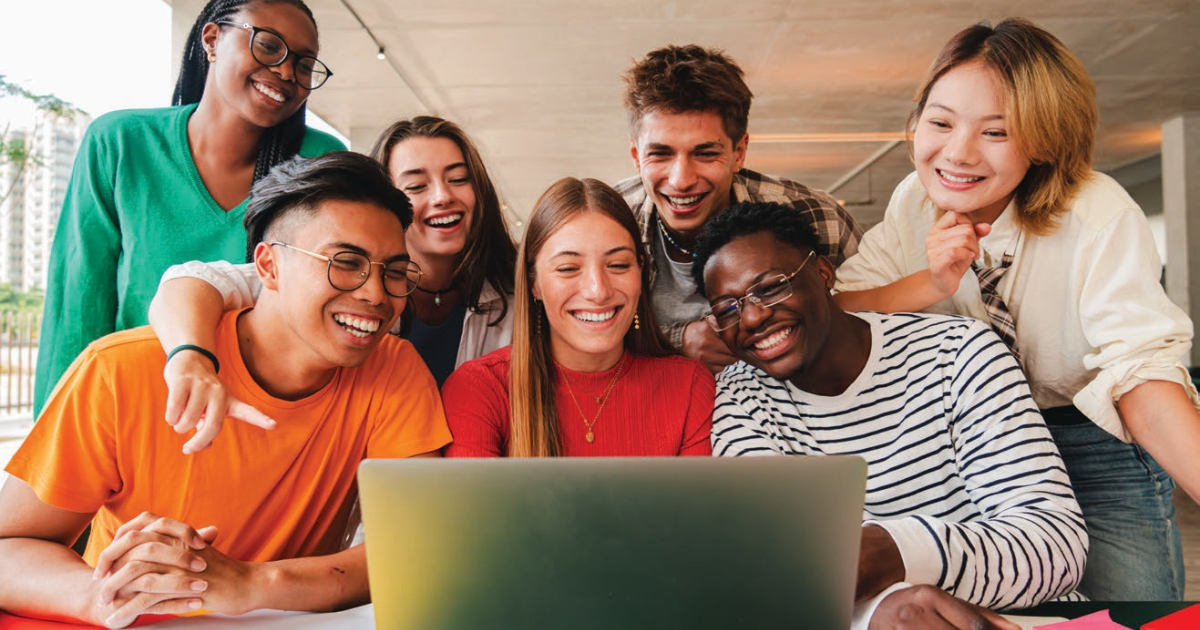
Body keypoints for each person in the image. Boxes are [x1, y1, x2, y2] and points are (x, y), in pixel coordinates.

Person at [0, 152, 450, 627]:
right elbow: (10, 546)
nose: (376, 294)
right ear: (268, 266)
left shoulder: (394, 370)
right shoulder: (118, 371)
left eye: (394, 272)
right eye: (346, 263)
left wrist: (250, 583)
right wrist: (100, 595)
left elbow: (414, 549)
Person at [833, 18, 1197, 600]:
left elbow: (1140, 374)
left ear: (1046, 141)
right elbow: (842, 311)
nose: (957, 153)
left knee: (1131, 611)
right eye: (940, 122)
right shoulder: (914, 201)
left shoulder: (1097, 214)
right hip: (970, 441)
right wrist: (930, 283)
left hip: (1087, 440)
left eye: (996, 132)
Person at [693, 201, 1085, 629]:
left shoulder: (958, 353)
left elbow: (1056, 547)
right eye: (727, 309)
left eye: (771, 288)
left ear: (823, 273)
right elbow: (782, 570)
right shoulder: (740, 396)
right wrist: (880, 609)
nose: (751, 317)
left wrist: (896, 551)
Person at [33, 0, 345, 415]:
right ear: (212, 40)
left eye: (304, 64)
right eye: (269, 46)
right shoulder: (121, 142)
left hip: (267, 419)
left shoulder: (320, 161)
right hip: (132, 411)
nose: (287, 72)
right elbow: (78, 304)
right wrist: (56, 428)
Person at [148, 116, 517, 451]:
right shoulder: (310, 275)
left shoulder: (516, 293)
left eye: (458, 179)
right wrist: (191, 357)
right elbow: (192, 281)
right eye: (416, 185)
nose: (442, 196)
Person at [614, 44, 864, 374]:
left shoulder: (816, 217)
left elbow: (864, 321)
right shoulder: (610, 224)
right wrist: (676, 340)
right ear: (636, 156)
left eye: (705, 153)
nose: (681, 180)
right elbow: (581, 330)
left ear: (739, 152)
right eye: (660, 154)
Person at [441, 177, 714, 457]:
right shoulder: (479, 389)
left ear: (640, 271)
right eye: (568, 268)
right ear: (534, 283)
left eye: (618, 265)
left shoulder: (689, 386)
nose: (598, 291)